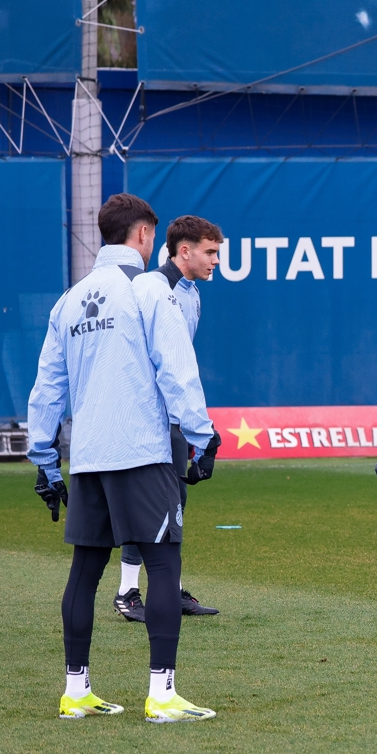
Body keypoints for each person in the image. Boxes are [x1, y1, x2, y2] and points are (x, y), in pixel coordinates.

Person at [27, 193, 222, 723]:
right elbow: (176, 367)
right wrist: (203, 436)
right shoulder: (152, 288)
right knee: (163, 564)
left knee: (85, 571)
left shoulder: (69, 301)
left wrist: (44, 458)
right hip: (142, 450)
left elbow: (48, 387)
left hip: (89, 456)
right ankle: (162, 695)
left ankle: (76, 691)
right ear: (143, 235)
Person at [116, 216, 224, 621]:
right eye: (210, 252)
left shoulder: (191, 294)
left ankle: (170, 588)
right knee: (145, 503)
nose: (216, 260)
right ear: (184, 250)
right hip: (144, 417)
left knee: (174, 502)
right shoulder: (151, 288)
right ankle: (127, 591)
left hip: (172, 416)